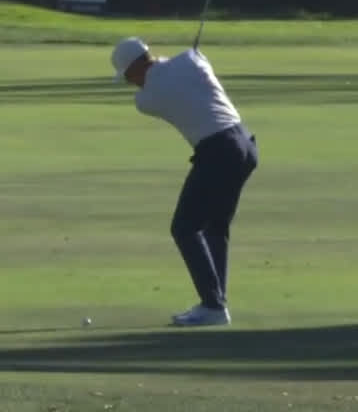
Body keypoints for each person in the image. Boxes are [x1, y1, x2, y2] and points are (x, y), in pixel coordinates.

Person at [111, 37, 259, 327]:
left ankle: (213, 305)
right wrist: (189, 55)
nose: (132, 85)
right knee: (216, 227)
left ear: (134, 70)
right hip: (245, 145)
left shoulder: (146, 99)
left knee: (184, 227)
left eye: (128, 78)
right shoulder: (192, 60)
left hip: (217, 151)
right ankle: (216, 305)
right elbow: (185, 64)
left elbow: (164, 77)